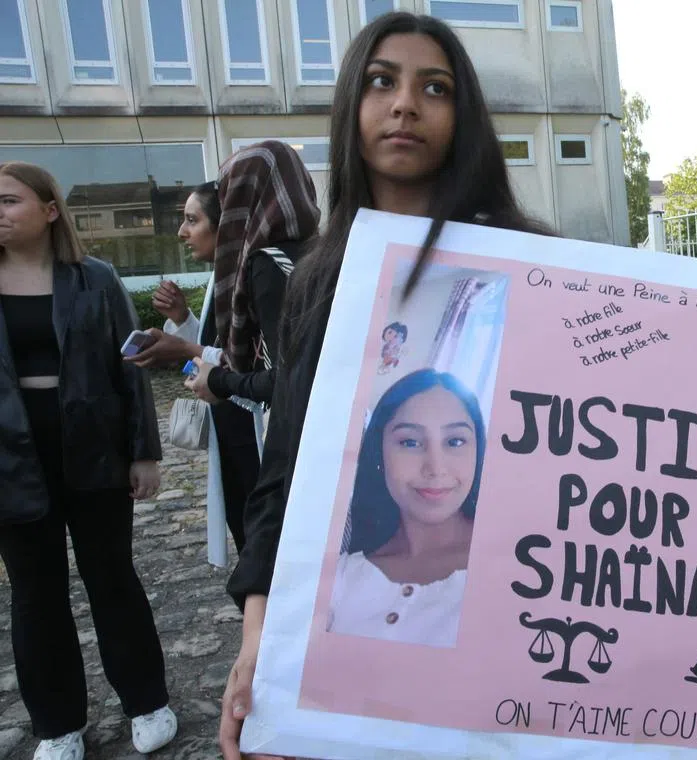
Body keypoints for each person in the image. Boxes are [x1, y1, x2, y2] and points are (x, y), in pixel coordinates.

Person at [219, 11, 551, 759]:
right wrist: (260, 645)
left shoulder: (535, 266)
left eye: (435, 87)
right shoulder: (316, 278)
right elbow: (287, 470)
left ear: (463, 117)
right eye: (381, 81)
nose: (405, 103)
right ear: (350, 109)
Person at [0, 161, 177, 759]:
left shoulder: (93, 279)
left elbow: (131, 371)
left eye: (8, 201)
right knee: (34, 592)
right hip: (10, 458)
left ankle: (148, 701)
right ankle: (58, 725)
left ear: (50, 210)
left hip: (93, 446)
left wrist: (143, 454)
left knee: (112, 577)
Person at [127, 142, 320, 556]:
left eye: (193, 219)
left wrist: (210, 371)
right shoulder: (262, 263)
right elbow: (236, 345)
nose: (183, 231)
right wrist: (183, 324)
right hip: (252, 427)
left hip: (264, 433)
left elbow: (283, 374)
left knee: (262, 551)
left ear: (236, 210)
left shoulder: (265, 263)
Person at [328, 369, 484, 646]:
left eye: (455, 441)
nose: (435, 468)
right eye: (410, 442)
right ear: (379, 453)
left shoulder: (516, 571)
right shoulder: (341, 575)